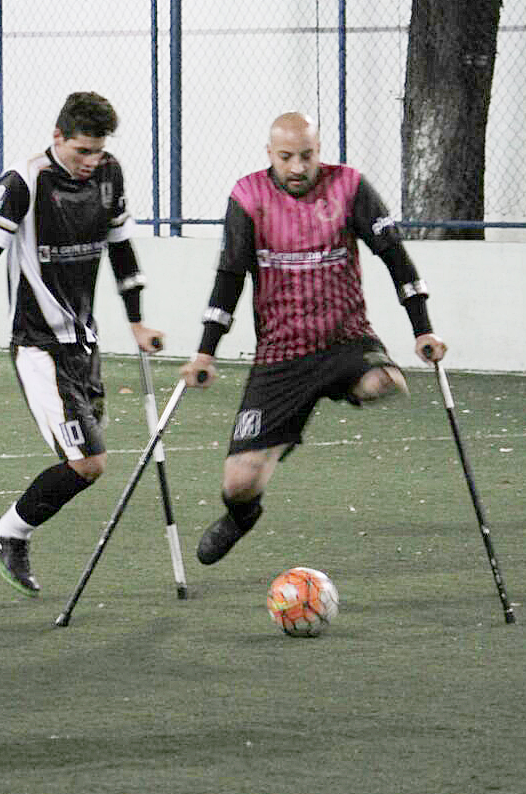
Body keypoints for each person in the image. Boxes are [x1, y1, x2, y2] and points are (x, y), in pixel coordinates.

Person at [179, 111, 446, 565]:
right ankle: (243, 516)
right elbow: (230, 276)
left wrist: (423, 328)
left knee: (386, 382)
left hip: (346, 340)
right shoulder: (248, 196)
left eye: (307, 156)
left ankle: (337, 390)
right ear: (270, 155)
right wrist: (206, 351)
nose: (298, 168)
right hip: (280, 356)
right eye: (286, 158)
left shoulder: (349, 187)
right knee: (238, 484)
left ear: (319, 151)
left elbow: (394, 256)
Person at [0, 91, 164, 597]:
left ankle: (9, 533)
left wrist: (138, 321)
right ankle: (7, 533)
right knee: (87, 461)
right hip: (38, 346)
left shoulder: (109, 175)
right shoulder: (24, 181)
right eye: (81, 150)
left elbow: (122, 250)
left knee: (87, 461)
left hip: (84, 344)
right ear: (57, 137)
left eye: (98, 151)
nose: (91, 162)